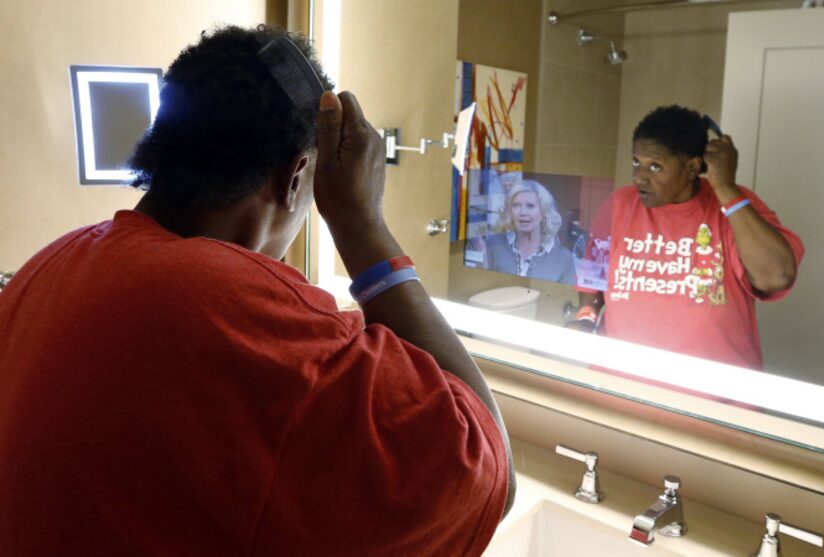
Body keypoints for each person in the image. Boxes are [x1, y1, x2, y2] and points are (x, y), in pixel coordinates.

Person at [0, 25, 514, 556]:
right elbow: (482, 473)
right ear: (296, 180)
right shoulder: (225, 304)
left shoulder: (54, 265)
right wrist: (361, 222)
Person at [569, 105, 804, 370]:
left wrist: (726, 189)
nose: (639, 177)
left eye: (655, 166)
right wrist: (587, 316)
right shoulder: (619, 204)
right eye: (636, 162)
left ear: (692, 167)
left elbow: (777, 276)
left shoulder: (735, 206)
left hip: (710, 399)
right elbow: (592, 276)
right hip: (619, 390)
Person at [485, 180, 577, 284]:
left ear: (543, 212)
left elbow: (568, 298)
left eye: (530, 206)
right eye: (516, 205)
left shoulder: (564, 258)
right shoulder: (494, 244)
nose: (522, 212)